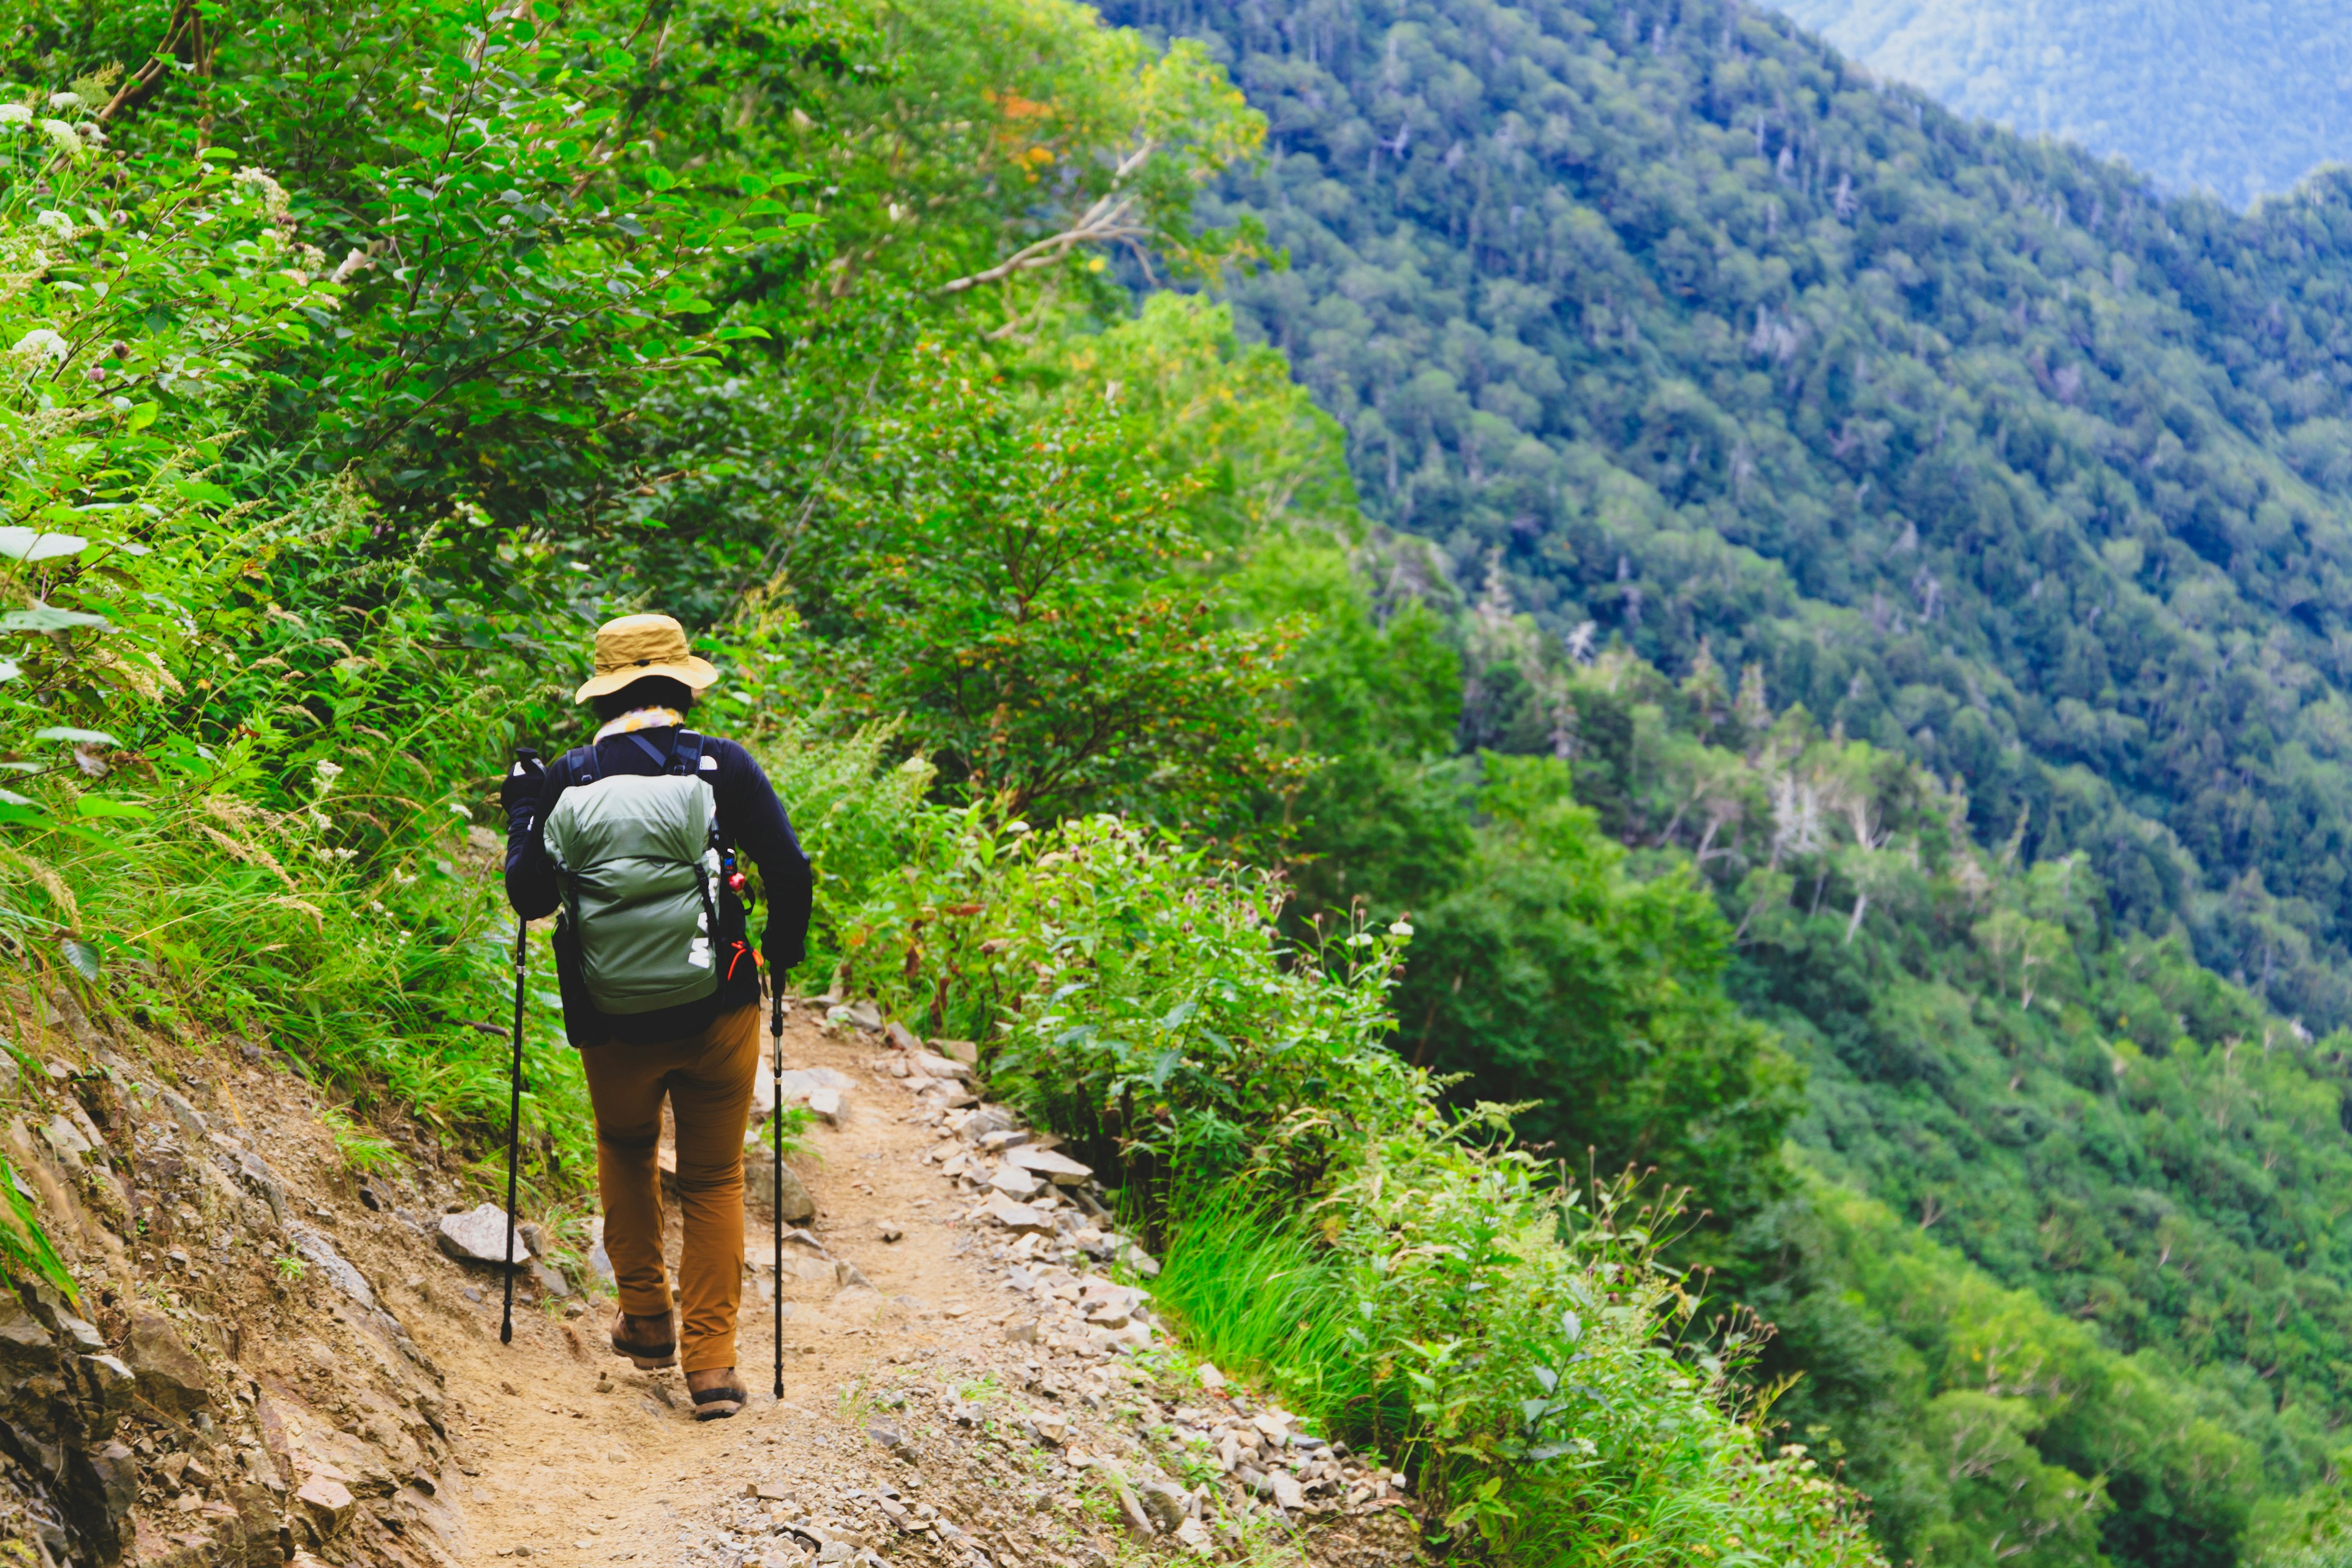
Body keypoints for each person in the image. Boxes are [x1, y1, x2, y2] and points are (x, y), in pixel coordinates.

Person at [500, 613, 812, 1420]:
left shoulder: (571, 776)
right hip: (720, 1013)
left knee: (626, 1147)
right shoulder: (723, 766)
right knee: (712, 1178)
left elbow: (531, 897)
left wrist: (523, 814)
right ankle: (712, 1369)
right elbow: (790, 871)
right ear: (681, 684)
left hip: (612, 1020)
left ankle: (645, 1318)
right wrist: (779, 954)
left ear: (605, 691)